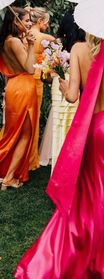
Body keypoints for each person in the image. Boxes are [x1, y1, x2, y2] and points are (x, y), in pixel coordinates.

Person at [14, 34, 104, 278]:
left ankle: (78, 245)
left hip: (88, 131)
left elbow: (72, 97)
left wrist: (64, 86)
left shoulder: (79, 49)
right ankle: (103, 259)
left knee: (84, 194)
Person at [39, 12, 86, 171]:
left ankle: (59, 168)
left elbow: (43, 76)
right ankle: (71, 168)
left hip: (60, 87)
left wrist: (55, 76)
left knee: (60, 126)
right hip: (75, 89)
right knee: (74, 128)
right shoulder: (85, 47)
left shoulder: (57, 45)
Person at [0, 7, 37, 189]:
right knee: (23, 135)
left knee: (13, 133)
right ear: (16, 21)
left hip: (14, 87)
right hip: (23, 87)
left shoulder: (9, 40)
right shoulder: (14, 41)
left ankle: (8, 174)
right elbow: (29, 68)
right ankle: (8, 178)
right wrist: (30, 46)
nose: (30, 23)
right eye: (27, 19)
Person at [26, 7, 55, 170]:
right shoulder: (47, 38)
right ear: (40, 21)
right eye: (46, 22)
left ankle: (25, 157)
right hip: (36, 81)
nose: (47, 25)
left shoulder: (24, 35)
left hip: (21, 79)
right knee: (33, 119)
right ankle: (30, 159)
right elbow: (57, 58)